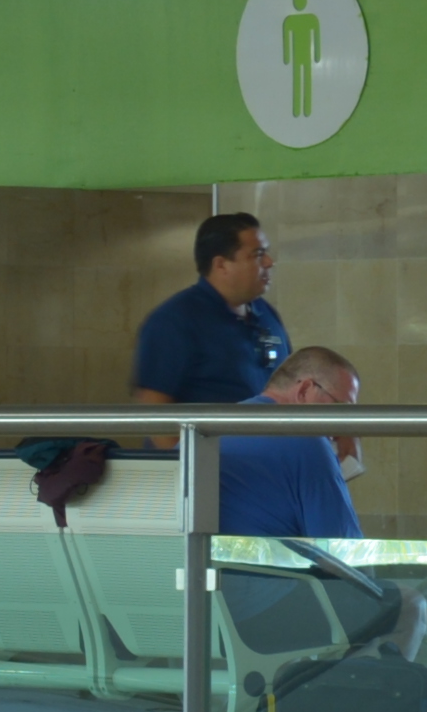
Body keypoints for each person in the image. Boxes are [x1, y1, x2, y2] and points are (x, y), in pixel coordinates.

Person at [127, 208, 293, 430]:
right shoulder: (174, 321)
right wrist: (183, 462)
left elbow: (291, 384)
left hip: (267, 456)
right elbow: (154, 407)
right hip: (208, 459)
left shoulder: (267, 316)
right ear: (221, 264)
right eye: (258, 255)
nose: (269, 262)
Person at [218, 343, 365, 541]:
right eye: (342, 409)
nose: (342, 431)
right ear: (304, 390)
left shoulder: (211, 430)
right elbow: (344, 553)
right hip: (264, 571)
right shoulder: (309, 442)